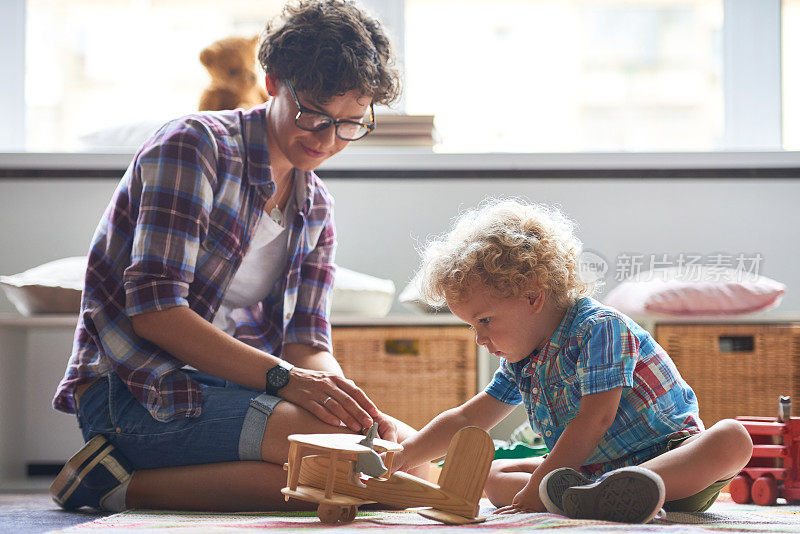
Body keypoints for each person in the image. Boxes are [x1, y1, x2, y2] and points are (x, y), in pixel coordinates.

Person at [49, 0, 424, 513]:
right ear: (273, 82)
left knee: (409, 460)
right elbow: (156, 312)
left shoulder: (314, 206)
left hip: (233, 391)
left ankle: (128, 479)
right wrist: (289, 383)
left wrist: (343, 401)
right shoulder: (193, 147)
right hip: (139, 392)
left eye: (349, 124)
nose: (327, 139)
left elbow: (306, 343)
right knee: (357, 471)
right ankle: (116, 484)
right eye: (313, 114)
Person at [393, 199, 753, 523]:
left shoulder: (600, 328)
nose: (479, 338)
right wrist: (404, 454)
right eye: (472, 325)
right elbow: (470, 417)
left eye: (484, 320)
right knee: (493, 474)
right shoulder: (523, 361)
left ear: (533, 296)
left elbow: (595, 418)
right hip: (590, 472)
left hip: (672, 462)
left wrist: (539, 485)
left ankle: (613, 491)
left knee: (732, 438)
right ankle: (592, 498)